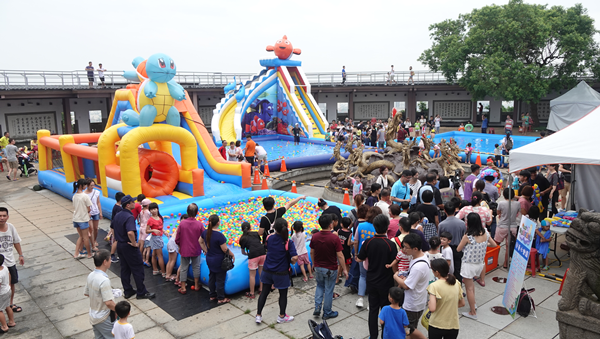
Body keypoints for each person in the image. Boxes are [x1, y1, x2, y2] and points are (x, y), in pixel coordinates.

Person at [356, 214, 397, 339]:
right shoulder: (390, 244)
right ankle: (385, 335)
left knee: (373, 310)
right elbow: (394, 264)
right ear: (387, 227)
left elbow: (359, 258)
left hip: (371, 281)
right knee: (385, 311)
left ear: (374, 226)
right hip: (386, 282)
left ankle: (373, 336)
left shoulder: (368, 242)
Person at [255, 219, 298, 324]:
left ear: (274, 228)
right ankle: (282, 316)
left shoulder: (269, 238)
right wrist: (291, 261)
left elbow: (267, 248)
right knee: (282, 294)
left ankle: (258, 315)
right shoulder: (288, 242)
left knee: (264, 293)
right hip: (281, 273)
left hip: (267, 270)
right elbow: (295, 257)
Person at [113, 195, 155, 300]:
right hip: (129, 246)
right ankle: (141, 292)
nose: (134, 203)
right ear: (128, 205)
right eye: (132, 202)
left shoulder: (118, 215)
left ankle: (128, 290)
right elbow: (130, 232)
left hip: (120, 245)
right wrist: (134, 243)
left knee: (125, 269)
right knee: (137, 268)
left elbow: (113, 228)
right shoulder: (129, 217)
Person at [457, 213, 497, 320]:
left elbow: (458, 249)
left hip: (468, 265)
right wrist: (484, 245)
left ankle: (473, 312)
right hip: (480, 264)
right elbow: (494, 244)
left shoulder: (468, 236)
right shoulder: (485, 233)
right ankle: (473, 303)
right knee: (471, 286)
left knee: (469, 288)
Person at [311, 214, 348, 320]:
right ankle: (327, 312)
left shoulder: (315, 236)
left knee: (319, 286)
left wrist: (314, 263)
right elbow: (340, 255)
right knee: (328, 290)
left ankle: (317, 307)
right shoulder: (334, 238)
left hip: (318, 266)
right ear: (331, 225)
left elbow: (312, 252)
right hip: (330, 268)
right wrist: (344, 269)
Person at [395, 233, 429, 339]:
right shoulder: (419, 256)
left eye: (406, 247)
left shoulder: (418, 266)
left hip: (413, 304)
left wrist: (395, 276)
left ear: (415, 248)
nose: (404, 249)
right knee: (411, 328)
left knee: (408, 331)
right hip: (417, 300)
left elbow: (406, 286)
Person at [199, 215, 233, 303]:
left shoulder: (205, 232)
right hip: (219, 260)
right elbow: (225, 249)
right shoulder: (219, 236)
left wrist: (206, 250)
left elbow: (200, 241)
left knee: (212, 277)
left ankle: (212, 295)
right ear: (218, 223)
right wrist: (232, 255)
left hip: (209, 258)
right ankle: (221, 298)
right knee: (220, 279)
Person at [427, 259, 464, 339]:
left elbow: (432, 308)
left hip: (436, 324)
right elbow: (462, 303)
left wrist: (429, 303)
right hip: (453, 324)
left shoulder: (434, 286)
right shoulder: (456, 282)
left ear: (437, 272)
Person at [354, 206, 382, 308]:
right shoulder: (379, 228)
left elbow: (356, 241)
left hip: (362, 255)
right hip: (375, 256)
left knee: (363, 275)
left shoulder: (361, 226)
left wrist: (356, 253)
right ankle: (371, 301)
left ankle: (360, 298)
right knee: (373, 278)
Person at [84, 250, 115, 339]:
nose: (111, 261)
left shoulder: (91, 275)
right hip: (103, 317)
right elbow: (108, 303)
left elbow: (87, 293)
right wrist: (118, 310)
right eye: (109, 259)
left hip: (94, 315)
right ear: (105, 262)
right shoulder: (104, 280)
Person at [175, 204, 205, 294]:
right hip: (196, 249)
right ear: (197, 213)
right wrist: (204, 247)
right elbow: (203, 237)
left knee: (184, 267)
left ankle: (183, 287)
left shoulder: (182, 224)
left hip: (185, 249)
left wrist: (180, 246)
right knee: (196, 267)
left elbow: (177, 238)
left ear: (187, 212)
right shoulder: (199, 224)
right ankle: (196, 285)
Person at [0, 208, 23, 315]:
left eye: (4, 215)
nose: (2, 218)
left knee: (11, 284)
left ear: (7, 217)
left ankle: (10, 303)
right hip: (0, 264)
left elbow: (16, 241)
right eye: (0, 216)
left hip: (10, 261)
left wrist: (20, 255)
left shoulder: (11, 227)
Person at [438, 202, 466, 283]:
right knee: (458, 270)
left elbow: (439, 237)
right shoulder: (462, 223)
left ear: (445, 211)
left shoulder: (441, 224)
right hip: (458, 249)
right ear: (455, 210)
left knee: (446, 270)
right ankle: (459, 288)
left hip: (445, 249)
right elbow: (463, 236)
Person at [496, 188, 520, 268]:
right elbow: (517, 213)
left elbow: (498, 212)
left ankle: (495, 261)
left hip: (502, 226)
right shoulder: (517, 204)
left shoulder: (501, 203)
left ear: (504, 195)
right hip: (513, 226)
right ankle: (506, 263)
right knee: (508, 246)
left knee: (496, 244)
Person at [73, 179, 93, 259]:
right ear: (82, 185)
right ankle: (89, 254)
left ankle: (76, 253)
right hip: (83, 219)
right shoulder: (85, 196)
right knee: (85, 237)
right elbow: (89, 209)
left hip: (76, 218)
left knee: (80, 236)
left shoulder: (74, 196)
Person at [146, 203, 165, 277]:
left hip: (159, 237)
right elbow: (146, 231)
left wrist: (165, 232)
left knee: (154, 254)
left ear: (157, 209)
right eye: (151, 209)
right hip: (155, 238)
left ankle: (155, 270)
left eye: (154, 209)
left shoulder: (159, 217)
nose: (153, 211)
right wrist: (153, 230)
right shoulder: (151, 220)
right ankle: (163, 272)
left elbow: (160, 228)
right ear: (150, 211)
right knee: (160, 255)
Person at [85, 179, 102, 252]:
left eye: (93, 185)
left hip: (96, 211)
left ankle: (94, 239)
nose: (92, 187)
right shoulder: (84, 194)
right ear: (87, 185)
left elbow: (98, 202)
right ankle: (92, 245)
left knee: (95, 228)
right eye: (91, 185)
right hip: (89, 213)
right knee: (91, 228)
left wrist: (100, 212)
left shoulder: (96, 192)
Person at [109, 192, 125, 263]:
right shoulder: (119, 208)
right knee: (116, 240)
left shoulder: (116, 206)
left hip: (114, 225)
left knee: (116, 240)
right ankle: (112, 255)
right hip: (116, 226)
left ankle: (116, 254)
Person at [337, 217, 353, 283]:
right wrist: (354, 242)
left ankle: (339, 274)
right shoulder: (350, 233)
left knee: (340, 264)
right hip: (346, 251)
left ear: (341, 224)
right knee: (347, 264)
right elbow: (349, 243)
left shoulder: (338, 231)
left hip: (340, 250)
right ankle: (347, 275)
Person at [136, 199, 151, 265]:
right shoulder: (148, 212)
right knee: (143, 245)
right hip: (145, 229)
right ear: (147, 205)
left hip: (141, 227)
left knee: (139, 242)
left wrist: (139, 222)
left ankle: (137, 255)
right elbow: (152, 218)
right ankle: (141, 258)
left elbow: (138, 217)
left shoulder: (141, 211)